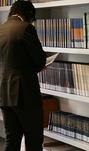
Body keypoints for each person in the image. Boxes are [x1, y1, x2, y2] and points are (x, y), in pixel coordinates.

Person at [0, 0, 46, 151]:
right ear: (29, 15)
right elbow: (40, 61)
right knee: (33, 140)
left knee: (11, 140)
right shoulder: (26, 28)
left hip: (4, 94)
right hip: (24, 94)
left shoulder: (1, 29)